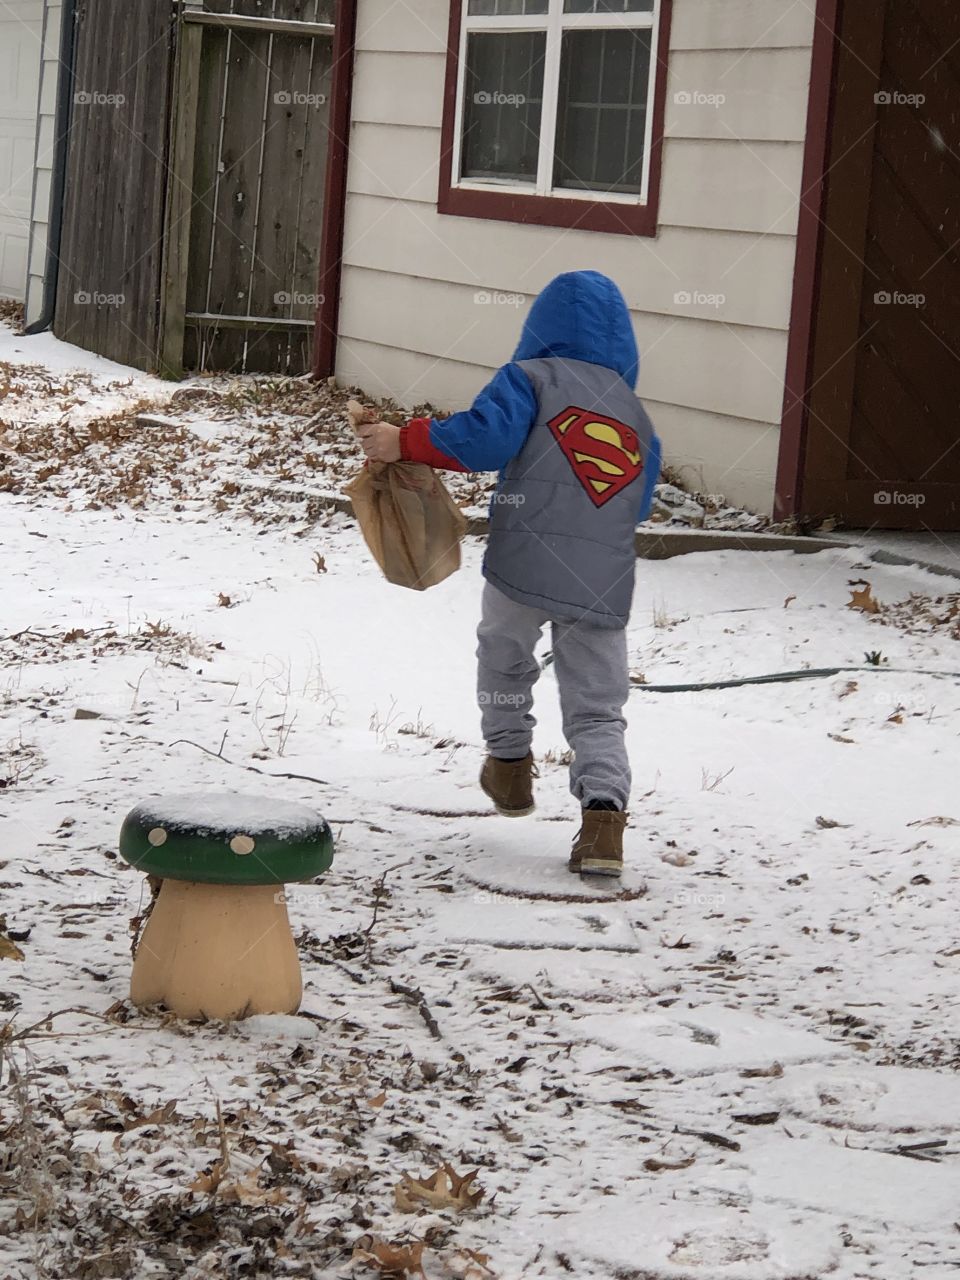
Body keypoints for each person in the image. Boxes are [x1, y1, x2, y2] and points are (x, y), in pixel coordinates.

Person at [356, 271, 662, 878]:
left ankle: (509, 764)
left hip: (524, 559)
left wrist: (406, 440)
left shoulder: (530, 378)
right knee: (599, 703)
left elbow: (485, 440)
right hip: (603, 580)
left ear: (540, 328)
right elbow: (641, 501)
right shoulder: (637, 417)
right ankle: (603, 823)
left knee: (503, 652)